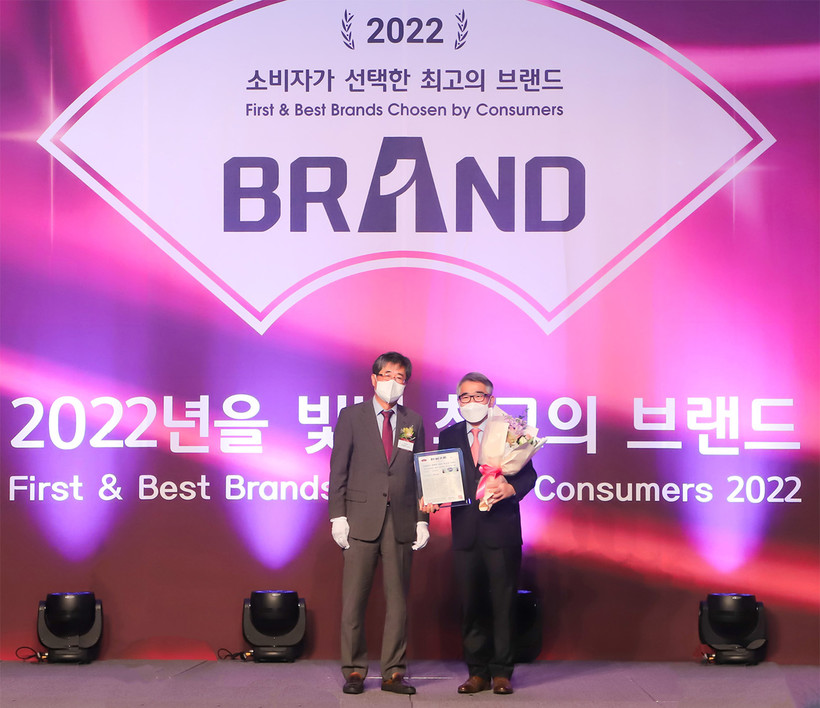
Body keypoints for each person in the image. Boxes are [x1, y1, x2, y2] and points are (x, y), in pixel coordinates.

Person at [328, 352, 429, 695]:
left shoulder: (414, 421)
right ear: (373, 379)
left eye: (400, 377)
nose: (392, 382)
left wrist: (422, 520)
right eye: (387, 375)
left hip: (401, 519)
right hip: (359, 520)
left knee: (398, 602)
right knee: (354, 600)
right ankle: (354, 670)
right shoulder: (351, 416)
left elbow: (421, 473)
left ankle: (394, 672)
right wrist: (338, 516)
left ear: (406, 383)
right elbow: (338, 470)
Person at [437, 372, 537, 695]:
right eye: (465, 397)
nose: (471, 402)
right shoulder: (448, 435)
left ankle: (502, 672)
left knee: (503, 603)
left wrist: (510, 488)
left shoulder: (509, 430)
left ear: (491, 400)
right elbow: (442, 477)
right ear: (458, 402)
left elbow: (530, 476)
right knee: (471, 603)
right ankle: (477, 672)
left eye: (478, 396)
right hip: (465, 532)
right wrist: (431, 496)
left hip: (502, 531)